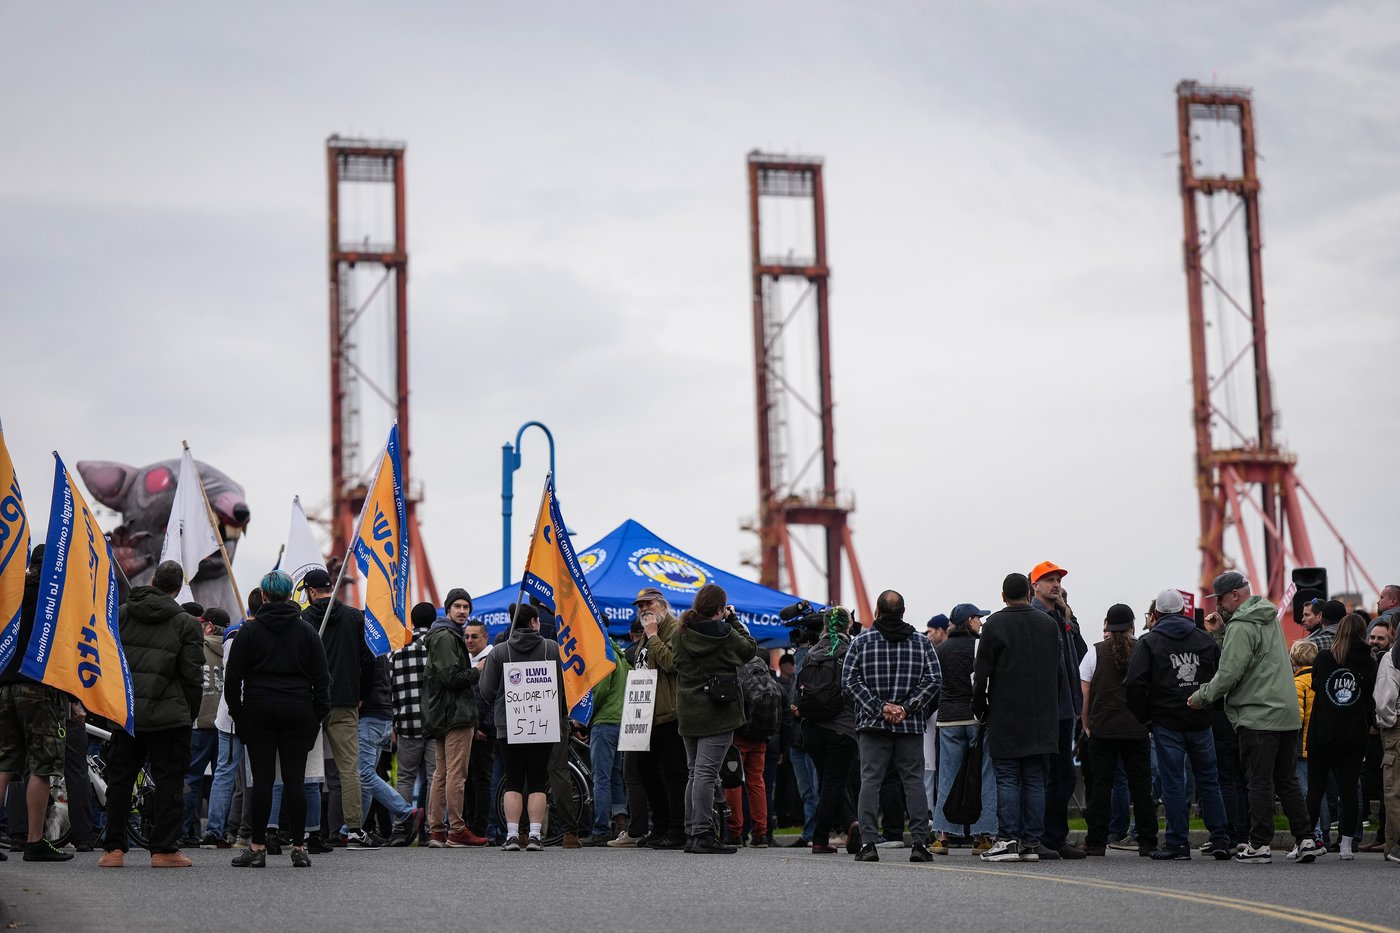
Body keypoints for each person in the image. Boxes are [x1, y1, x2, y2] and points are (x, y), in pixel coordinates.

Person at [1188, 571, 1317, 864]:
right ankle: (1306, 839)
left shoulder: (1241, 626)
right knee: (1286, 780)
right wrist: (1221, 632)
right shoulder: (1268, 618)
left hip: (1258, 714)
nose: (1218, 605)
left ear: (1235, 595)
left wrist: (1201, 696)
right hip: (1286, 713)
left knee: (1259, 781)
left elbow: (1230, 672)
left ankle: (1259, 844)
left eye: (1220, 599)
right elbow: (1252, 658)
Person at [98, 560, 204, 868]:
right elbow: (192, 676)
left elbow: (109, 660)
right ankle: (163, 849)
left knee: (120, 780)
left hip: (127, 711)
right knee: (169, 781)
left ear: (153, 580)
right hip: (169, 715)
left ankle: (113, 849)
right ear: (177, 589)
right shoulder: (186, 623)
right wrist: (189, 712)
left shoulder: (121, 614)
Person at [222, 570, 331, 868]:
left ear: (264, 596)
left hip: (258, 710)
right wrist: (316, 716)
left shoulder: (248, 632)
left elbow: (232, 680)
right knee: (296, 780)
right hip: (299, 710)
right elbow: (322, 679)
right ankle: (299, 848)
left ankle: (257, 847)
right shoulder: (306, 631)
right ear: (289, 595)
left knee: (263, 781)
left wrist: (239, 715)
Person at [1124, 588, 1229, 860]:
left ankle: (1178, 843)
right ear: (1184, 611)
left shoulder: (1149, 642)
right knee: (1209, 780)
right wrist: (1211, 708)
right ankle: (1220, 838)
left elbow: (1134, 684)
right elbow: (1221, 677)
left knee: (1173, 783)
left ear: (1156, 613)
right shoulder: (1205, 639)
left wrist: (1146, 717)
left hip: (1166, 721)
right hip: (1200, 720)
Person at [843, 589, 941, 864]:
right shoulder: (922, 643)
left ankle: (868, 844)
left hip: (872, 726)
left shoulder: (861, 642)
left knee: (870, 782)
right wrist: (907, 707)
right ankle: (919, 843)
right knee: (913, 783)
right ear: (903, 612)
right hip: (910, 726)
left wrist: (879, 707)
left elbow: (849, 681)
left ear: (877, 611)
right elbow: (934, 679)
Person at [973, 573, 1066, 863]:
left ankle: (1007, 839)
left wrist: (981, 707)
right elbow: (1059, 672)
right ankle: (1031, 843)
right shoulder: (1048, 624)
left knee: (1008, 778)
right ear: (1029, 593)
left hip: (1006, 713)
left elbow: (982, 673)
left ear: (1003, 596)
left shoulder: (995, 624)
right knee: (1035, 779)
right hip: (1042, 715)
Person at [0, 544, 74, 862]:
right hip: (38, 687)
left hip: (5, 685)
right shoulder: (54, 598)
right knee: (41, 767)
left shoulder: (12, 592)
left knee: (5, 764)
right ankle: (34, 841)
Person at [671, 583, 757, 854]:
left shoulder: (679, 633)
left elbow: (675, 663)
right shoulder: (726, 634)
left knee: (695, 772)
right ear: (720, 609)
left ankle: (691, 831)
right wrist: (734, 620)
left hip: (688, 709)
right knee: (706, 773)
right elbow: (749, 650)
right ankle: (702, 833)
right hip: (718, 712)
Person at [301, 568, 377, 847]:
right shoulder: (355, 617)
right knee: (348, 768)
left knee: (306, 769)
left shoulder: (303, 619)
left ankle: (306, 829)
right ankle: (354, 828)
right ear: (330, 588)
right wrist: (361, 694)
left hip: (310, 702)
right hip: (345, 699)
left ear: (311, 592)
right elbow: (369, 660)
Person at [479, 604, 564, 852]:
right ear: (535, 622)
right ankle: (535, 835)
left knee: (513, 780)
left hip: (509, 724)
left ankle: (513, 835)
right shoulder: (552, 648)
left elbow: (486, 691)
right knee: (538, 780)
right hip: (543, 722)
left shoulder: (499, 651)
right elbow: (564, 684)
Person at [1078, 604, 1157, 857]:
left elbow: (1085, 694)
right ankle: (1147, 840)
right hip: (1137, 728)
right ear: (1132, 625)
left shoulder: (1095, 652)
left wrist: (1087, 725)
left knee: (1101, 787)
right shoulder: (1144, 650)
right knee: (1141, 787)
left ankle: (1096, 841)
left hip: (1103, 728)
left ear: (1108, 627)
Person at [1028, 560, 1089, 860]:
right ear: (1035, 585)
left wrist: (1069, 615)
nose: (1056, 584)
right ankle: (1042, 837)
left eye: (1058, 580)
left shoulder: (1060, 616)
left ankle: (1055, 837)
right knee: (1046, 775)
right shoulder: (1035, 617)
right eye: (1049, 580)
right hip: (1046, 709)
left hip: (1065, 708)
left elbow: (1080, 654)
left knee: (1063, 776)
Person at [1305, 613, 1377, 861]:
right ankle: (1346, 844)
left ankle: (1305, 839)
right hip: (1354, 734)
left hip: (1323, 732)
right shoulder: (1370, 661)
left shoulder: (1325, 658)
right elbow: (1370, 696)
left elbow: (1316, 685)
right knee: (1349, 790)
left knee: (1315, 789)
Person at [931, 603, 995, 854]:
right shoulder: (980, 647)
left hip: (948, 719)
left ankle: (943, 835)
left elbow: (936, 685)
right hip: (977, 719)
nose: (980, 622)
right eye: (978, 618)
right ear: (969, 620)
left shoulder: (940, 649)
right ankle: (982, 836)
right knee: (983, 776)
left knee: (947, 775)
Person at [423, 587, 484, 847]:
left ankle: (437, 830)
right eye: (457, 606)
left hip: (441, 713)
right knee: (455, 774)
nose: (462, 611)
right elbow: (452, 677)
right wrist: (477, 670)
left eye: (466, 607)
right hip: (455, 713)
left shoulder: (442, 634)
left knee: (442, 773)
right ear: (448, 609)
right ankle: (456, 829)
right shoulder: (447, 636)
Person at [798, 607, 860, 854]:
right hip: (842, 727)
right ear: (849, 625)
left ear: (824, 625)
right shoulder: (852, 651)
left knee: (829, 781)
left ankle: (849, 823)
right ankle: (821, 837)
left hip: (812, 727)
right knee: (835, 782)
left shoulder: (811, 653)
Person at [632, 587, 689, 849]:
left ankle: (677, 829)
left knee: (673, 773)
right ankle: (660, 826)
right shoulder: (646, 634)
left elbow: (671, 663)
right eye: (640, 605)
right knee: (645, 769)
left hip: (670, 712)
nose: (644, 609)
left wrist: (653, 636)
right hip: (646, 714)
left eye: (649, 604)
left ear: (663, 606)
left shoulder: (675, 629)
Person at [359, 649, 426, 848]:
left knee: (365, 775)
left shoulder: (364, 646)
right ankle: (355, 829)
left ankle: (406, 812)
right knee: (367, 777)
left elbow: (365, 675)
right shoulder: (378, 646)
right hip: (384, 715)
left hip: (369, 714)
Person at [182, 607, 227, 846]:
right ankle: (218, 831)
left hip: (199, 722)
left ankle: (184, 831)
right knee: (223, 780)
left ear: (208, 626)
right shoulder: (232, 649)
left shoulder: (195, 648)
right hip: (225, 724)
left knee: (191, 778)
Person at [583, 639, 630, 846]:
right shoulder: (620, 655)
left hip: (604, 722)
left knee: (601, 778)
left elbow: (599, 690)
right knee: (615, 776)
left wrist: (584, 716)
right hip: (621, 721)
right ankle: (620, 824)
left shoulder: (602, 654)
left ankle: (601, 829)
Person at [392, 603, 436, 822]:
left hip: (406, 723)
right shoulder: (438, 646)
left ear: (412, 621)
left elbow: (389, 687)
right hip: (435, 723)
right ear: (434, 621)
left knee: (405, 778)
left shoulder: (397, 649)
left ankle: (402, 826)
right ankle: (433, 828)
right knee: (436, 777)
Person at [462, 618, 496, 841]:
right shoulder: (467, 660)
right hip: (468, 729)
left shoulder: (491, 659)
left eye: (474, 636)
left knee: (482, 780)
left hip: (484, 732)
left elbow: (497, 696)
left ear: (485, 637)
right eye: (466, 636)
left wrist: (484, 726)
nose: (469, 640)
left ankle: (481, 828)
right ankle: (469, 825)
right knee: (467, 780)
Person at [1372, 627, 1400, 863]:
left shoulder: (1392, 657)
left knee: (1394, 789)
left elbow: (1384, 700)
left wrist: (1388, 721)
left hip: (1396, 725)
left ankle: (1395, 845)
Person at [1289, 640, 1318, 840]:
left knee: (1304, 790)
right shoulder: (1319, 679)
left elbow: (1296, 718)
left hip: (1302, 745)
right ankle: (1321, 832)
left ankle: (1312, 833)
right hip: (1318, 742)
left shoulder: (1298, 683)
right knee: (1318, 791)